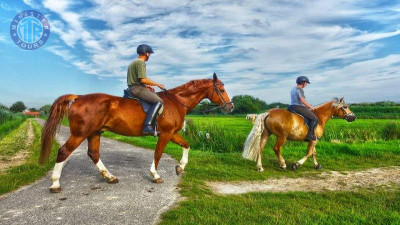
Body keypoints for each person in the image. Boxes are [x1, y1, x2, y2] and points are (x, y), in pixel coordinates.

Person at [127, 44, 165, 135]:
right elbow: (143, 79)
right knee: (159, 101)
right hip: (137, 89)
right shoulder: (140, 62)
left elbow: (136, 79)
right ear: (146, 53)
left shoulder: (133, 62)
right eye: (149, 54)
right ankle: (147, 126)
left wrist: (146, 86)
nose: (149, 56)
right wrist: (157, 84)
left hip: (134, 87)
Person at [288, 76, 318, 141]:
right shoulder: (300, 89)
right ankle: (310, 135)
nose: (306, 84)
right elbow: (302, 100)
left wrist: (307, 106)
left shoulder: (293, 89)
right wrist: (310, 106)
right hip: (298, 107)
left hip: (291, 107)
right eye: (306, 83)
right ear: (303, 83)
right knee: (314, 118)